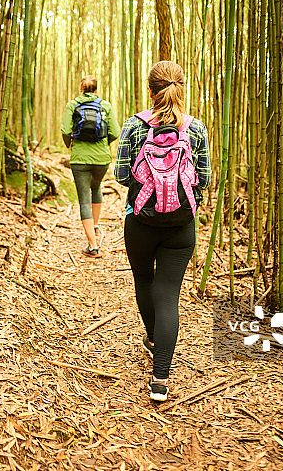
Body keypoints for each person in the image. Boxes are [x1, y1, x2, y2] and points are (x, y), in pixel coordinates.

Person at [114, 61, 211, 401]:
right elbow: (205, 179)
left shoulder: (134, 125)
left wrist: (150, 184)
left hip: (140, 221)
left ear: (150, 90)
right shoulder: (196, 129)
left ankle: (154, 338)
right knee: (168, 295)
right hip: (181, 227)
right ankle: (160, 380)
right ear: (182, 88)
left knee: (144, 281)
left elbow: (121, 175)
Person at [61, 76, 120, 257]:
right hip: (102, 158)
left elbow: (65, 130)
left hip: (80, 158)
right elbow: (115, 132)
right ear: (96, 90)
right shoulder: (105, 105)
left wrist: (70, 145)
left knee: (84, 199)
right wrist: (103, 144)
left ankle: (92, 246)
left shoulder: (72, 105)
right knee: (96, 186)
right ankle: (93, 226)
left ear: (81, 89)